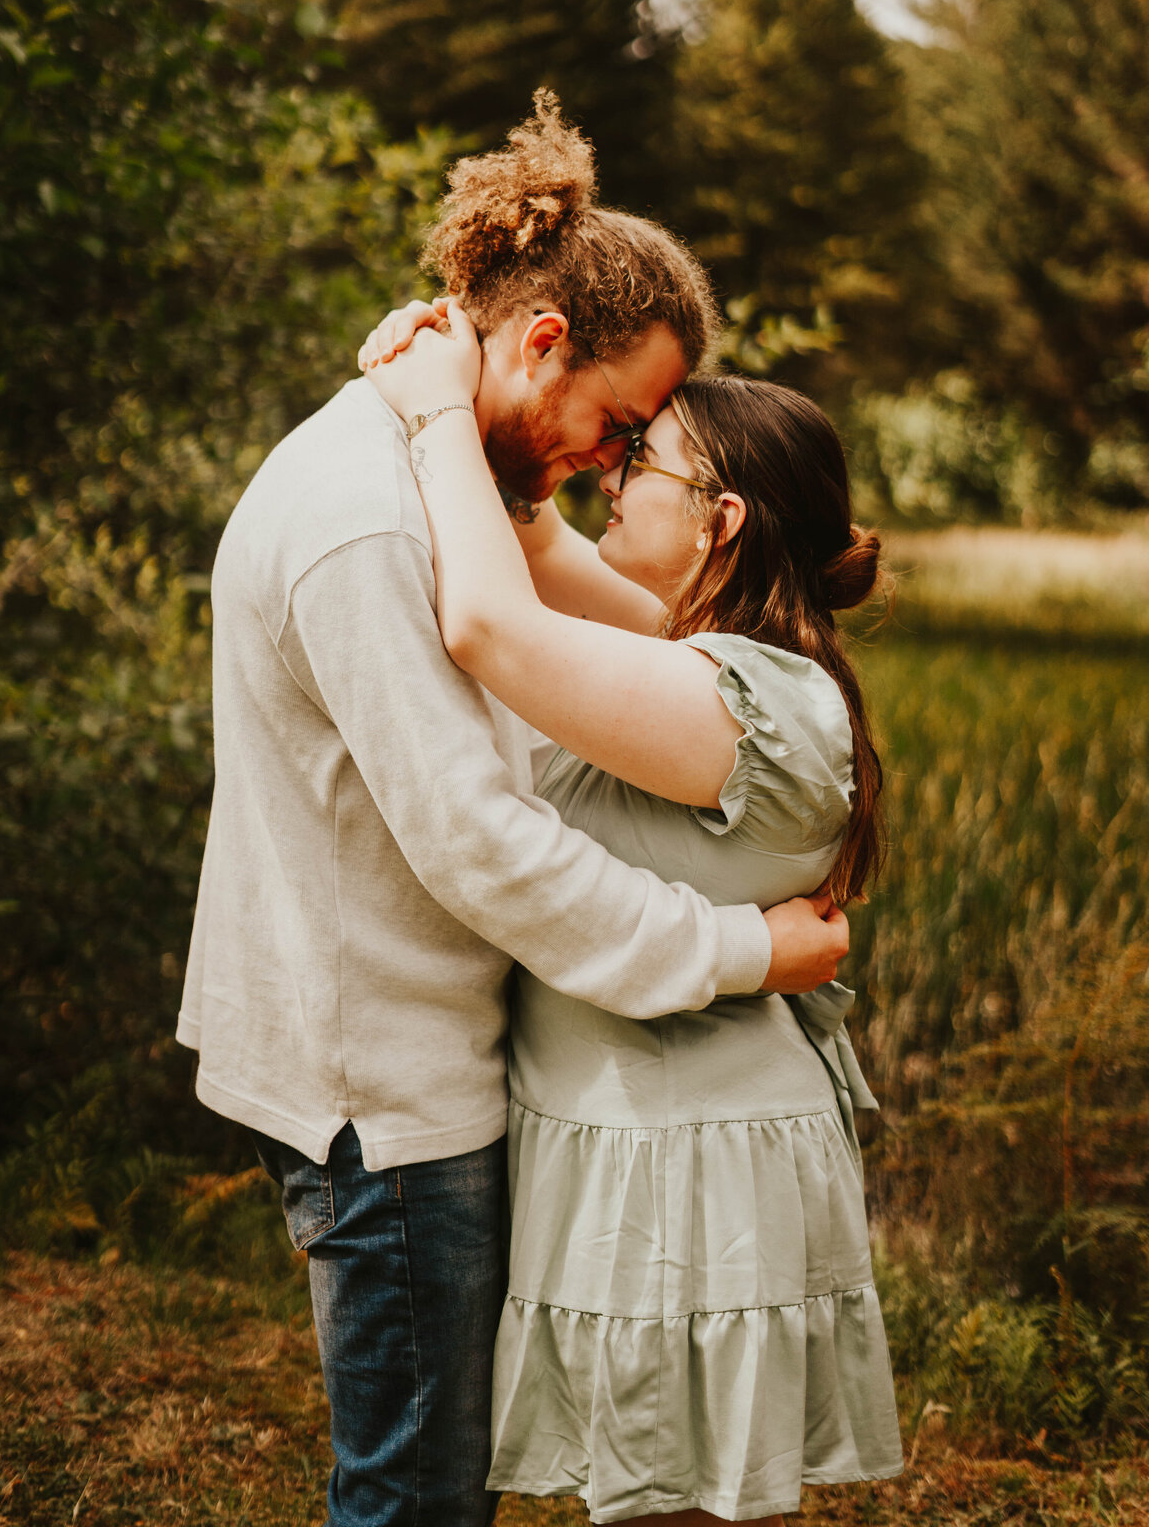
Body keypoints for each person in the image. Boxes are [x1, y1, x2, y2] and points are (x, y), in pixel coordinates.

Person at [176, 92, 850, 1527]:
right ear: (541, 341)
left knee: (435, 1490)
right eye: (613, 426)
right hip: (388, 1092)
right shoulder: (369, 516)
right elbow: (479, 836)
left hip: (429, 1061)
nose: (612, 466)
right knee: (418, 1499)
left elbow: (635, 646)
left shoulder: (441, 482)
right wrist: (741, 952)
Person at [360, 303, 906, 1522]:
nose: (614, 469)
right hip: (647, 1127)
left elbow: (491, 620)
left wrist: (442, 408)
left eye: (641, 459)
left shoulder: (756, 701)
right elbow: (530, 542)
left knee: (676, 1507)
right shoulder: (695, 648)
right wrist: (476, 374)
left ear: (720, 521)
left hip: (689, 1155)